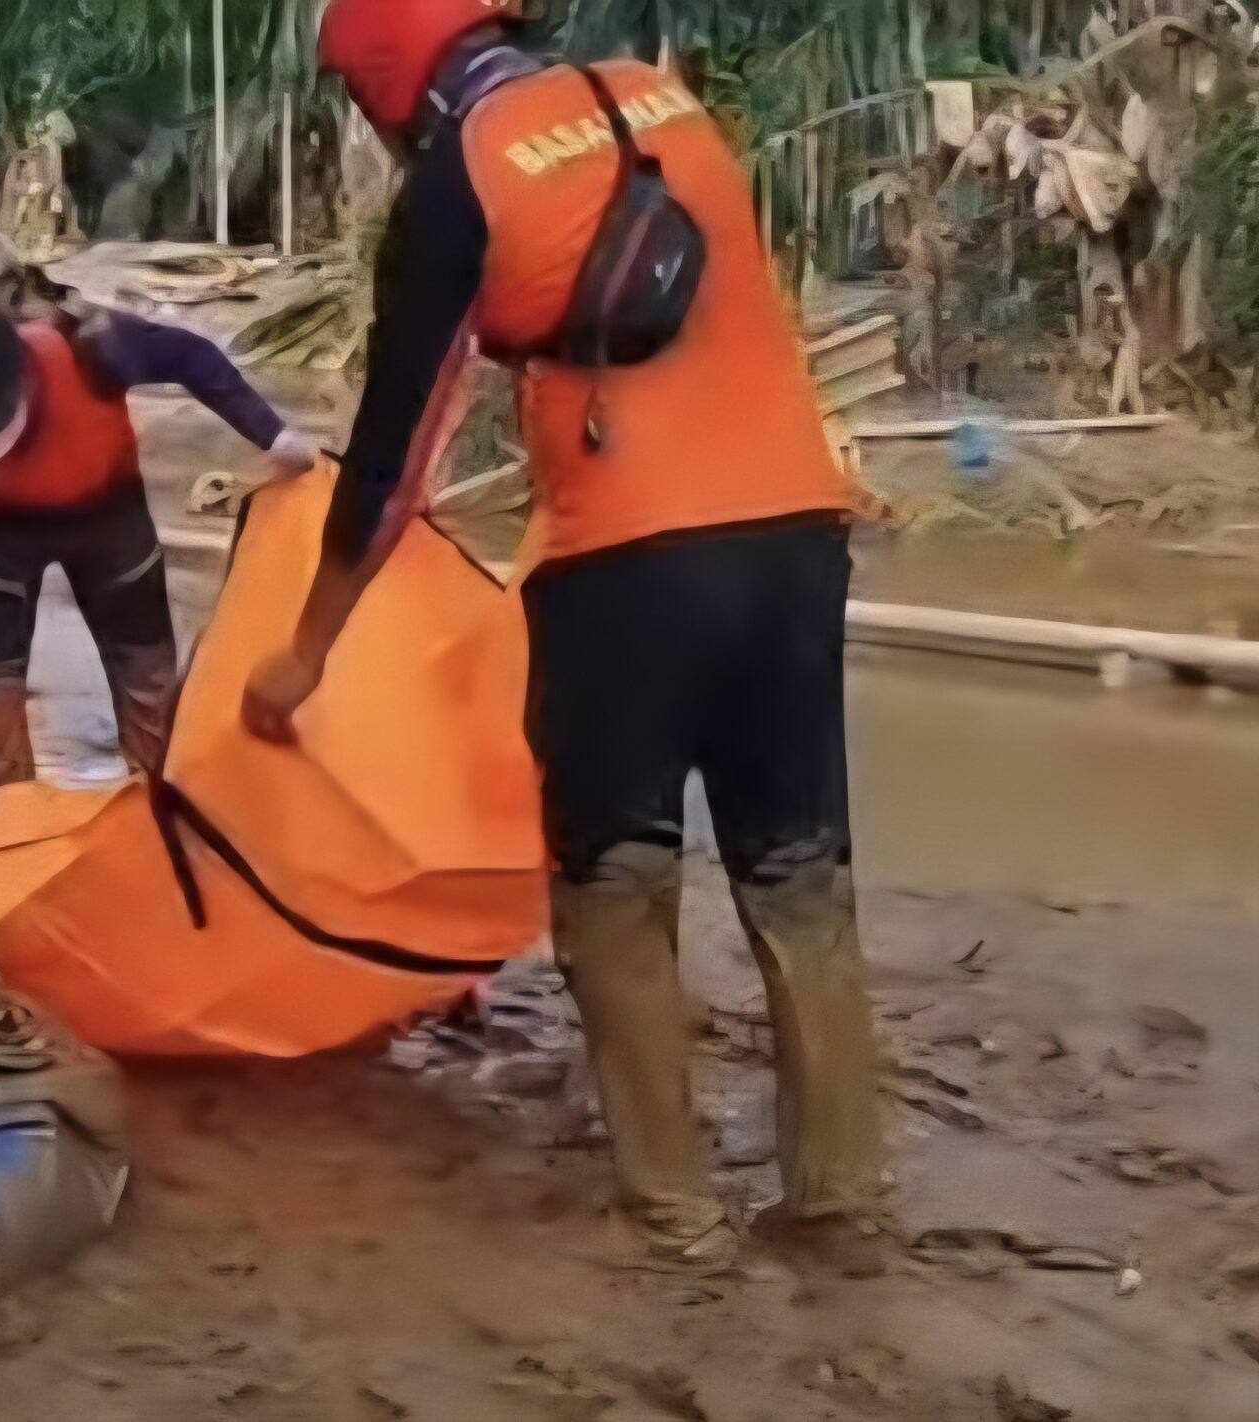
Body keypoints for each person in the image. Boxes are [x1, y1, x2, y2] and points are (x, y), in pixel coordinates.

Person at [249, 0, 883, 1271]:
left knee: (615, 883)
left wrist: (303, 652)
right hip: (797, 536)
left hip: (627, 566)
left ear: (387, 80)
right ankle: (839, 1204)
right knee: (799, 872)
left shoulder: (459, 177)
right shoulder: (663, 99)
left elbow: (394, 459)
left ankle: (675, 1219)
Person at [0, 282, 317, 800]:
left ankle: (163, 821)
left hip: (108, 523)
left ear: (21, 378)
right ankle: (4, 829)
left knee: (155, 716)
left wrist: (273, 435)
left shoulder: (91, 348)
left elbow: (191, 355)